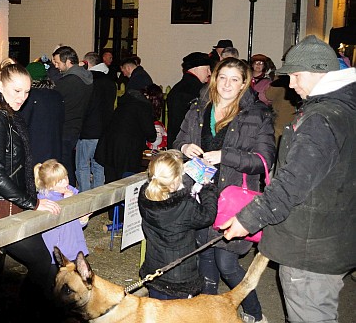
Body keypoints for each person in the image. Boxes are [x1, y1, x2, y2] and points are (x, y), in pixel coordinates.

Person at [221, 35, 356, 323]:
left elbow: (293, 182)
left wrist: (248, 218)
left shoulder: (322, 119)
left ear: (319, 71)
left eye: (295, 75)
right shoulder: (345, 108)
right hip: (334, 237)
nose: (291, 84)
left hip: (311, 246)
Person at [173, 57, 275, 323]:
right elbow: (178, 141)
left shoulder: (257, 115)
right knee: (204, 259)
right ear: (214, 78)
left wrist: (225, 156)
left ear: (244, 84)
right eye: (223, 77)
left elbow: (263, 161)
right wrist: (185, 149)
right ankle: (210, 316)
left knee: (227, 265)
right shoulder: (198, 108)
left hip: (231, 201)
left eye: (235, 79)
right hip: (199, 197)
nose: (227, 84)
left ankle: (254, 313)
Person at [0, 59, 61, 306]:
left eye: (27, 91)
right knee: (44, 264)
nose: (22, 97)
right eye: (16, 91)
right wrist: (33, 202)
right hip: (2, 208)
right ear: (0, 86)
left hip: (0, 203)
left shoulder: (5, 114)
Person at [138, 150, 217, 300]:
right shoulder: (185, 205)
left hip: (155, 270)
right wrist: (208, 188)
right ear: (175, 181)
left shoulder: (145, 196)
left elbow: (169, 191)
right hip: (179, 275)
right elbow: (208, 216)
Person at [52, 45, 93, 184]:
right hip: (76, 125)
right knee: (69, 161)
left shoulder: (68, 81)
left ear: (68, 61)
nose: (57, 66)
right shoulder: (86, 77)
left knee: (63, 165)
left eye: (57, 63)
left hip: (64, 126)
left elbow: (53, 88)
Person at [34, 159, 89, 262]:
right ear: (49, 185)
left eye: (66, 177)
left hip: (74, 241)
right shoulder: (46, 201)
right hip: (60, 246)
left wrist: (83, 219)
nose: (66, 182)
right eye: (60, 181)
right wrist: (68, 202)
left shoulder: (71, 190)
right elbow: (57, 224)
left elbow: (74, 223)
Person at [76, 52, 116, 191]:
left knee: (82, 165)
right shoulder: (110, 82)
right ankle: (98, 196)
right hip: (105, 129)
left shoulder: (87, 81)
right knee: (99, 165)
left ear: (87, 63)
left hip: (88, 129)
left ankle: (85, 197)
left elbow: (83, 106)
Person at [20, 61, 65, 165]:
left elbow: (23, 123)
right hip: (55, 148)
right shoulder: (57, 95)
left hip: (34, 149)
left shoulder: (30, 96)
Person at [166, 52, 212, 147]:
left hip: (177, 143)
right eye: (207, 69)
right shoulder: (198, 90)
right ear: (195, 69)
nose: (209, 73)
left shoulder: (179, 87)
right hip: (189, 145)